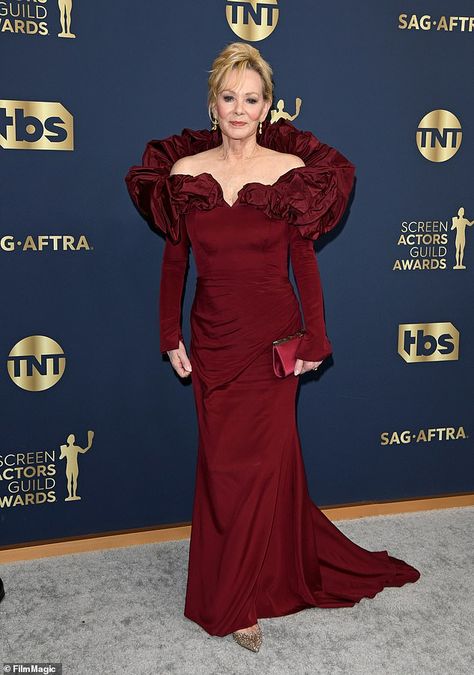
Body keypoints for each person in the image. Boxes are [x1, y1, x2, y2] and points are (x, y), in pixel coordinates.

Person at [125, 42, 420, 653]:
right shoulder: (183, 174)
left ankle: (240, 600)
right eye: (229, 97)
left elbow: (303, 260)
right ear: (213, 104)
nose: (239, 108)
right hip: (212, 339)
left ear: (266, 107)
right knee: (224, 469)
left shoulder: (289, 171)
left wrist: (316, 334)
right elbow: (174, 260)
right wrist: (168, 334)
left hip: (273, 340)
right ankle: (253, 575)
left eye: (251, 98)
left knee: (262, 467)